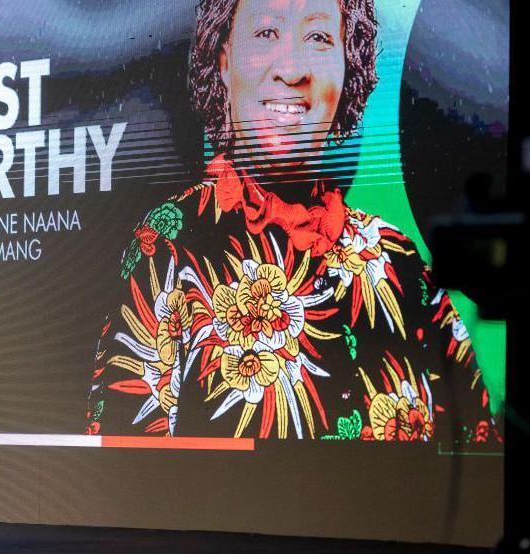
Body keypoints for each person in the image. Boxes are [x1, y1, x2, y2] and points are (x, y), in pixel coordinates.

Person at [85, 0, 499, 444]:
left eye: (319, 38)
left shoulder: (399, 262)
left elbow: (478, 463)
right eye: (266, 34)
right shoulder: (169, 245)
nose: (292, 69)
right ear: (223, 61)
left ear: (348, 66)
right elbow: (127, 472)